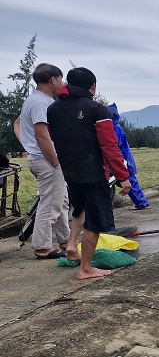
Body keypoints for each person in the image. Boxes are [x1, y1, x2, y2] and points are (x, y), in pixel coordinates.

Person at [47, 68, 131, 279]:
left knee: (80, 209)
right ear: (92, 87)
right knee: (95, 222)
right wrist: (123, 177)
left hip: (70, 171)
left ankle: (72, 245)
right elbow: (109, 146)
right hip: (94, 173)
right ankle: (85, 269)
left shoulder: (53, 109)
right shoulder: (97, 110)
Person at [13, 63, 71, 259]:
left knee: (61, 201)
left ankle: (65, 240)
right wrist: (55, 162)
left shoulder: (34, 100)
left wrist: (27, 146)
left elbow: (18, 124)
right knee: (50, 204)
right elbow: (42, 136)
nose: (62, 83)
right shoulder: (40, 103)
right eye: (61, 79)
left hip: (40, 158)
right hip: (46, 160)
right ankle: (42, 247)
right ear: (53, 79)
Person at [107, 104, 149, 210]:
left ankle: (141, 202)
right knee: (131, 181)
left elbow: (114, 144)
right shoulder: (116, 127)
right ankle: (141, 202)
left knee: (130, 180)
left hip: (122, 159)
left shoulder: (114, 128)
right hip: (124, 158)